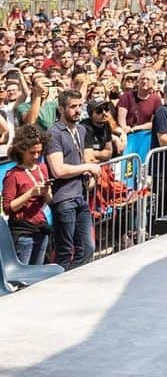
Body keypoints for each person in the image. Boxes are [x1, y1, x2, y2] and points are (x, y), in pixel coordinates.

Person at [44, 90, 100, 269]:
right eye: (72, 106)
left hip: (80, 195)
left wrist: (88, 175)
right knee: (65, 251)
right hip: (64, 198)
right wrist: (87, 167)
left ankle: (71, 280)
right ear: (61, 109)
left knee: (87, 247)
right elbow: (58, 169)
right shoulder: (54, 133)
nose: (77, 110)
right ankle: (59, 284)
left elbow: (81, 159)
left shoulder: (81, 130)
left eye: (79, 106)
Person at [2, 125, 52, 264]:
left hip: (41, 227)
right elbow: (7, 208)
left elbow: (49, 200)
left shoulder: (42, 168)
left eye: (39, 152)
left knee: (38, 272)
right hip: (23, 231)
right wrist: (30, 193)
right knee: (23, 277)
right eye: (32, 152)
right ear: (21, 150)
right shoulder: (13, 175)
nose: (36, 156)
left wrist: (47, 193)